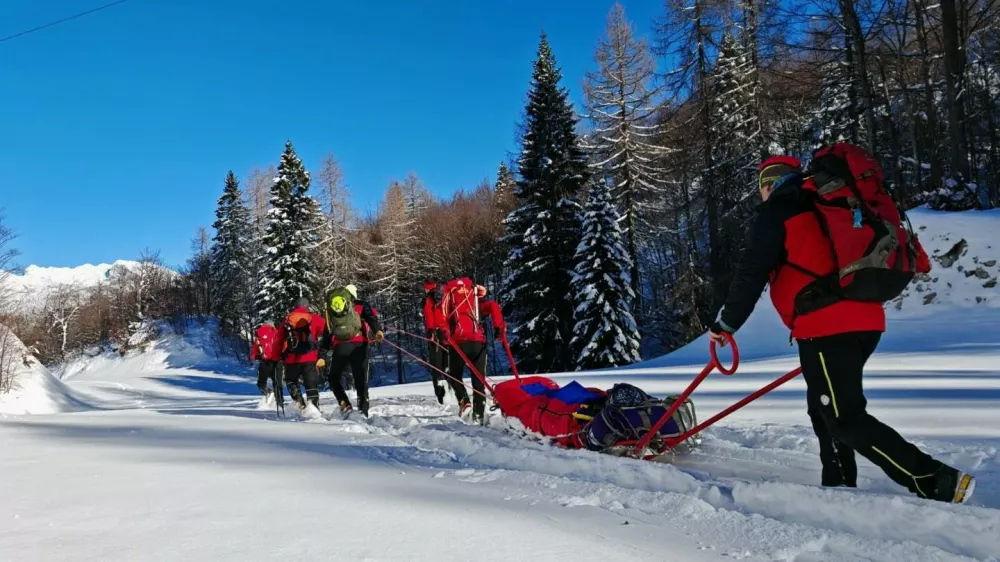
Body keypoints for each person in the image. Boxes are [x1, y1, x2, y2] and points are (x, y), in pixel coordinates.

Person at [708, 154, 975, 504]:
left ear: (768, 185)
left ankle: (935, 480)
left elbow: (750, 273)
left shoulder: (779, 211)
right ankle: (838, 483)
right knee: (824, 407)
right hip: (864, 319)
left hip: (826, 326)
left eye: (761, 187)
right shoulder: (827, 202)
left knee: (843, 417)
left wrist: (727, 324)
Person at [441, 277, 505, 424]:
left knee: (454, 374)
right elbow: (493, 306)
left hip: (458, 342)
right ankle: (479, 416)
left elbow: (440, 316)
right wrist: (498, 326)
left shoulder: (449, 297)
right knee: (479, 382)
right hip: (478, 342)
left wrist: (442, 333)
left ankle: (464, 401)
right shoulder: (475, 301)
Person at [322, 284, 383, 416]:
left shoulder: (333, 309)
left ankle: (345, 403)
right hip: (359, 345)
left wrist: (322, 354)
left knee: (333, 378)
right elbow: (371, 317)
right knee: (360, 377)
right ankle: (363, 409)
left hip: (340, 347)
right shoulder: (361, 305)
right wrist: (378, 330)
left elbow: (327, 331)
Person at [281, 297, 327, 410]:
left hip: (291, 358)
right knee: (311, 383)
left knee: (291, 380)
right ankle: (314, 408)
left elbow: (279, 339)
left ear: (295, 306)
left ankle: (300, 403)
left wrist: (278, 356)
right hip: (310, 357)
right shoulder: (314, 318)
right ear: (307, 306)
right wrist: (323, 351)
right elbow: (326, 333)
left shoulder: (287, 319)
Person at [421, 280, 449, 404]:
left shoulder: (428, 300)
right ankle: (450, 391)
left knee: (436, 367)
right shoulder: (444, 298)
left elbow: (429, 315)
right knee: (447, 365)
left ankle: (441, 395)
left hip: (436, 334)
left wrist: (430, 330)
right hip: (447, 334)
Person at [250, 321, 284, 399]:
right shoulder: (277, 332)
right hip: (277, 361)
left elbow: (255, 347)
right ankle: (279, 401)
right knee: (277, 383)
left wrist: (254, 356)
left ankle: (269, 394)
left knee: (261, 383)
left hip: (265, 361)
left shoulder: (259, 333)